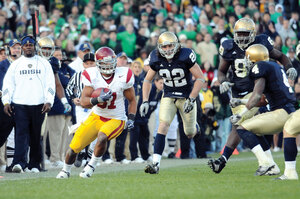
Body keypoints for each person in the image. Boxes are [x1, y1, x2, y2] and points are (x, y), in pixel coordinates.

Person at [208, 17, 297, 174]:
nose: (241, 37)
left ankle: (227, 159)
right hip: (237, 93)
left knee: (241, 124)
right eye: (239, 34)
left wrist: (290, 67)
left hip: (256, 90)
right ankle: (271, 165)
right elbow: (221, 71)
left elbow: (280, 56)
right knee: (250, 128)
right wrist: (222, 81)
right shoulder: (229, 46)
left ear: (253, 34)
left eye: (245, 34)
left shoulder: (261, 45)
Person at [56, 47, 136, 178]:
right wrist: (97, 99)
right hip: (96, 116)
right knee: (74, 147)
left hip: (116, 118)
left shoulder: (124, 74)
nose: (108, 65)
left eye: (110, 62)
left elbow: (132, 100)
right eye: (104, 63)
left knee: (102, 136)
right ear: (98, 63)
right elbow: (83, 101)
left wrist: (131, 118)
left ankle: (91, 166)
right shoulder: (91, 75)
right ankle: (65, 171)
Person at [140, 31, 205, 174]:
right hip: (168, 95)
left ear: (176, 45)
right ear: (159, 47)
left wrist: (192, 98)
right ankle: (155, 164)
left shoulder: (185, 54)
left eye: (170, 46)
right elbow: (147, 80)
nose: (168, 49)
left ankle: (196, 128)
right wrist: (145, 100)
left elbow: (200, 78)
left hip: (186, 97)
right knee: (163, 126)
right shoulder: (155, 57)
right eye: (164, 47)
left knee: (189, 133)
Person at [231, 44, 297, 179]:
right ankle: (273, 166)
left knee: (241, 128)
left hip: (281, 113)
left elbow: (256, 96)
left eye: (248, 59)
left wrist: (240, 114)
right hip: (289, 111)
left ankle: (266, 163)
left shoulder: (260, 67)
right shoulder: (275, 66)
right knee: (255, 130)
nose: (247, 62)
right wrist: (240, 101)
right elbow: (264, 100)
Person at [2, 35, 55, 173]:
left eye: (31, 45)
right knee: (20, 134)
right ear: (23, 48)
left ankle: (34, 164)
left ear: (34, 47)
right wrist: (6, 101)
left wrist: (49, 100)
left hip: (39, 104)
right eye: (25, 45)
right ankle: (19, 163)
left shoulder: (44, 63)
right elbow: (8, 84)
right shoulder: (15, 64)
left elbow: (50, 84)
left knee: (36, 135)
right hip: (19, 104)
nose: (28, 47)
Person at [44, 47, 75, 168]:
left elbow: (74, 78)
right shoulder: (50, 67)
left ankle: (61, 157)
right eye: (56, 55)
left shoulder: (65, 68)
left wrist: (67, 79)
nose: (59, 57)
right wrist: (66, 79)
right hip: (56, 105)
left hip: (67, 105)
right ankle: (54, 158)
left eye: (60, 55)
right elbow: (64, 82)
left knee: (65, 133)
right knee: (55, 133)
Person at [66, 52, 96, 167]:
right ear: (83, 64)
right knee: (81, 129)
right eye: (87, 63)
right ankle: (81, 152)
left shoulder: (100, 77)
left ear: (95, 64)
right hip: (81, 108)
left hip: (95, 107)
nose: (89, 65)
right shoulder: (78, 75)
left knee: (94, 132)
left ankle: (90, 155)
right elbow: (69, 89)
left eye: (91, 63)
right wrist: (74, 99)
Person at [0, 39, 21, 148]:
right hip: (5, 103)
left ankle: (15, 162)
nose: (16, 50)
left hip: (20, 103)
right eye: (14, 47)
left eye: (18, 48)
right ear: (9, 49)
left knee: (19, 134)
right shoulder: (3, 64)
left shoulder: (24, 63)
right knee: (3, 133)